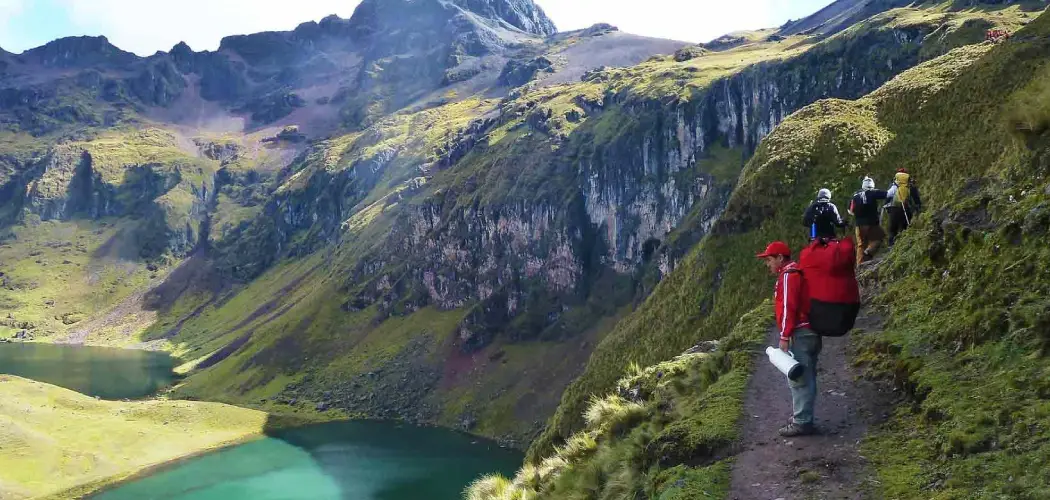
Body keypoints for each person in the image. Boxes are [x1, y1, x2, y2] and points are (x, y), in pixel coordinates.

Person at [756, 241, 822, 437]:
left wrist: (784, 335)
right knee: (808, 375)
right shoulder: (798, 271)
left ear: (780, 258)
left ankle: (802, 422)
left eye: (769, 259)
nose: (768, 264)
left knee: (798, 378)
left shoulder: (788, 276)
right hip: (812, 331)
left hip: (800, 333)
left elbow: (788, 307)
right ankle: (805, 418)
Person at [848, 177, 889, 263]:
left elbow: (850, 211)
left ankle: (860, 265)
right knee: (879, 238)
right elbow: (888, 194)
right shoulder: (873, 192)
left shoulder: (855, 195)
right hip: (872, 223)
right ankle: (868, 252)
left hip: (859, 225)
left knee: (861, 245)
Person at [885, 169, 923, 246]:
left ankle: (891, 247)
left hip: (893, 209)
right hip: (906, 208)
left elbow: (887, 197)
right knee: (905, 228)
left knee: (893, 230)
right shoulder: (910, 186)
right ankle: (905, 245)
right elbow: (916, 199)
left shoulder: (893, 185)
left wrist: (887, 207)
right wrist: (918, 207)